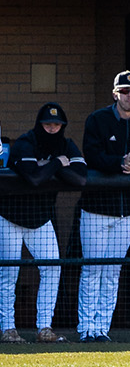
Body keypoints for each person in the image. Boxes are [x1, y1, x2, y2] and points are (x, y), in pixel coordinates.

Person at [79, 70, 130, 343]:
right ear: (115, 94)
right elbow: (91, 155)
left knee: (113, 271)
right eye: (125, 91)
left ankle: (102, 329)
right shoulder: (98, 119)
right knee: (92, 269)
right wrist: (119, 163)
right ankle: (85, 328)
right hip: (97, 208)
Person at [2, 103, 86, 344]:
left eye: (56, 124)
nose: (52, 128)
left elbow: (80, 178)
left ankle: (44, 328)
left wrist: (48, 165)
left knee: (52, 268)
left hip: (41, 218)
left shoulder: (66, 144)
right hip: (11, 216)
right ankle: (8, 329)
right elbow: (35, 178)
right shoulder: (26, 142)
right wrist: (59, 164)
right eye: (47, 124)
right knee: (8, 273)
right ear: (39, 125)